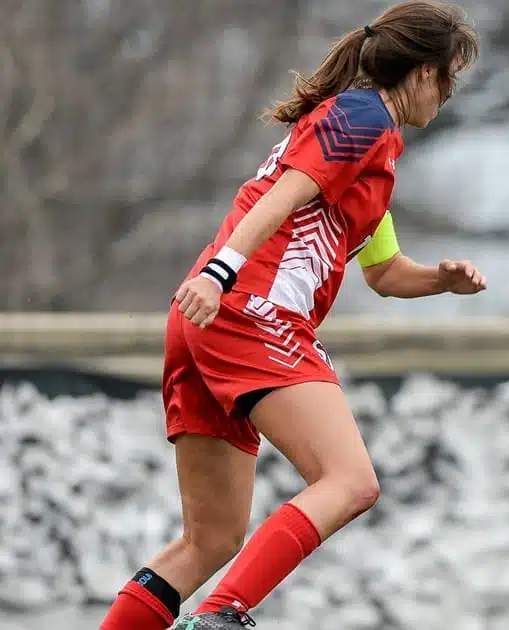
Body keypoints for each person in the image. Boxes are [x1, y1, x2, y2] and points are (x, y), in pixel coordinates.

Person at [97, 2, 484, 628]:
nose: (449, 92)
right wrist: (221, 273)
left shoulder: (372, 154)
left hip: (211, 319)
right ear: (420, 72)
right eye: (449, 76)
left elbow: (383, 273)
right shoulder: (364, 117)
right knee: (351, 480)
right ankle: (221, 617)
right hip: (248, 310)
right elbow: (283, 194)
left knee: (212, 540)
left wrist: (440, 280)